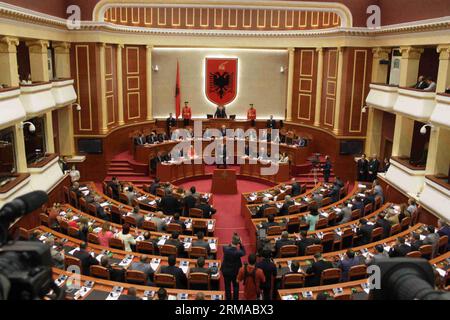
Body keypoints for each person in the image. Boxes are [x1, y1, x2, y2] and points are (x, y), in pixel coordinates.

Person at [221, 234, 246, 300]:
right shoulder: (238, 252)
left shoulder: (225, 249)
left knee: (227, 286)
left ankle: (228, 298)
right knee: (236, 286)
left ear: (231, 240)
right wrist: (241, 244)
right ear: (238, 242)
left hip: (226, 271)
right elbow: (244, 252)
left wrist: (233, 242)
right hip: (235, 272)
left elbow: (227, 246)